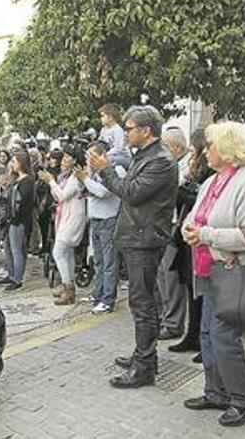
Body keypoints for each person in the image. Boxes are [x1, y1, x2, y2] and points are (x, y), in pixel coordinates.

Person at [181, 122, 245, 427]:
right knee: (207, 334)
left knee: (223, 336)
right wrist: (189, 228)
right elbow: (195, 216)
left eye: (210, 145)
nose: (206, 151)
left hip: (234, 271)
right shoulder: (212, 181)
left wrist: (205, 234)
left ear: (227, 148)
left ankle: (243, 399)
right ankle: (216, 392)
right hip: (208, 269)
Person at [88, 105, 178, 389]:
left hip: (145, 239)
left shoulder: (161, 160)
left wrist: (104, 172)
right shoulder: (146, 156)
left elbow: (133, 192)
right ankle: (144, 356)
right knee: (144, 301)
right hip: (137, 236)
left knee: (143, 304)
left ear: (146, 131)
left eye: (129, 129)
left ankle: (144, 367)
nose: (125, 133)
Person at [168, 128, 214, 363]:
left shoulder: (210, 173)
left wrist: (182, 190)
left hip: (202, 239)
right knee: (190, 288)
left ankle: (202, 340)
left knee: (202, 292)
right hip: (188, 236)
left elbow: (202, 202)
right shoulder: (195, 171)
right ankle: (192, 334)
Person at [75, 141, 123, 313]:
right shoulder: (93, 173)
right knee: (98, 261)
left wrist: (85, 179)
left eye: (92, 156)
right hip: (95, 220)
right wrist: (82, 180)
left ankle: (108, 298)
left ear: (102, 155)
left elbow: (103, 192)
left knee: (109, 263)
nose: (89, 160)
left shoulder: (115, 170)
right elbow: (85, 192)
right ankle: (98, 293)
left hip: (108, 221)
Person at [39, 146, 87, 305]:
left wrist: (51, 181)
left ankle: (68, 288)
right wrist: (52, 182)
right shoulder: (66, 176)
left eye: (67, 158)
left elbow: (63, 195)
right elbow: (58, 195)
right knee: (67, 253)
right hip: (65, 217)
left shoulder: (75, 177)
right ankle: (69, 285)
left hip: (73, 218)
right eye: (64, 157)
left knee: (58, 252)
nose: (63, 160)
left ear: (75, 161)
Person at [157, 127, 191, 340]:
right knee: (162, 275)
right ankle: (166, 318)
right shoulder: (172, 165)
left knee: (171, 277)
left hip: (177, 226)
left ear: (177, 148)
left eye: (165, 146)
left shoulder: (186, 168)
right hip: (165, 225)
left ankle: (173, 323)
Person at [0, 151, 35, 291]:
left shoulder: (27, 181)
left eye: (14, 161)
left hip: (19, 220)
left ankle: (17, 278)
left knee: (17, 250)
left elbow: (22, 202)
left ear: (21, 163)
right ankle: (11, 273)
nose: (11, 164)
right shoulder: (16, 179)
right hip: (10, 219)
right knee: (8, 248)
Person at [98, 103, 132, 169]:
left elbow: (119, 148)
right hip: (109, 155)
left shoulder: (118, 130)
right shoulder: (103, 130)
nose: (101, 118)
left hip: (123, 157)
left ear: (110, 117)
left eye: (102, 116)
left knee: (105, 160)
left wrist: (105, 154)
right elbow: (101, 144)